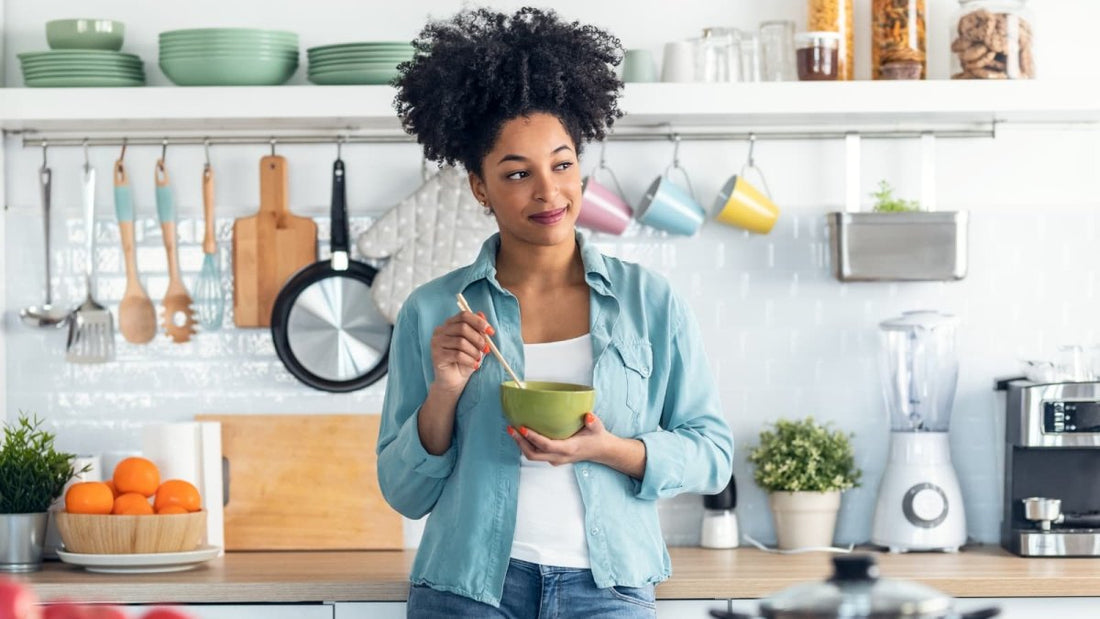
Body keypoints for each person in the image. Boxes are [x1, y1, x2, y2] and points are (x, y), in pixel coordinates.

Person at [377, 7, 734, 618]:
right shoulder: (435, 308)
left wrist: (608, 450)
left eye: (562, 164)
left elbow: (712, 454)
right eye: (517, 174)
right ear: (479, 187)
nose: (548, 192)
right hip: (467, 591)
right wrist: (445, 390)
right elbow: (404, 492)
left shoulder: (649, 302)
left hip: (610, 591)